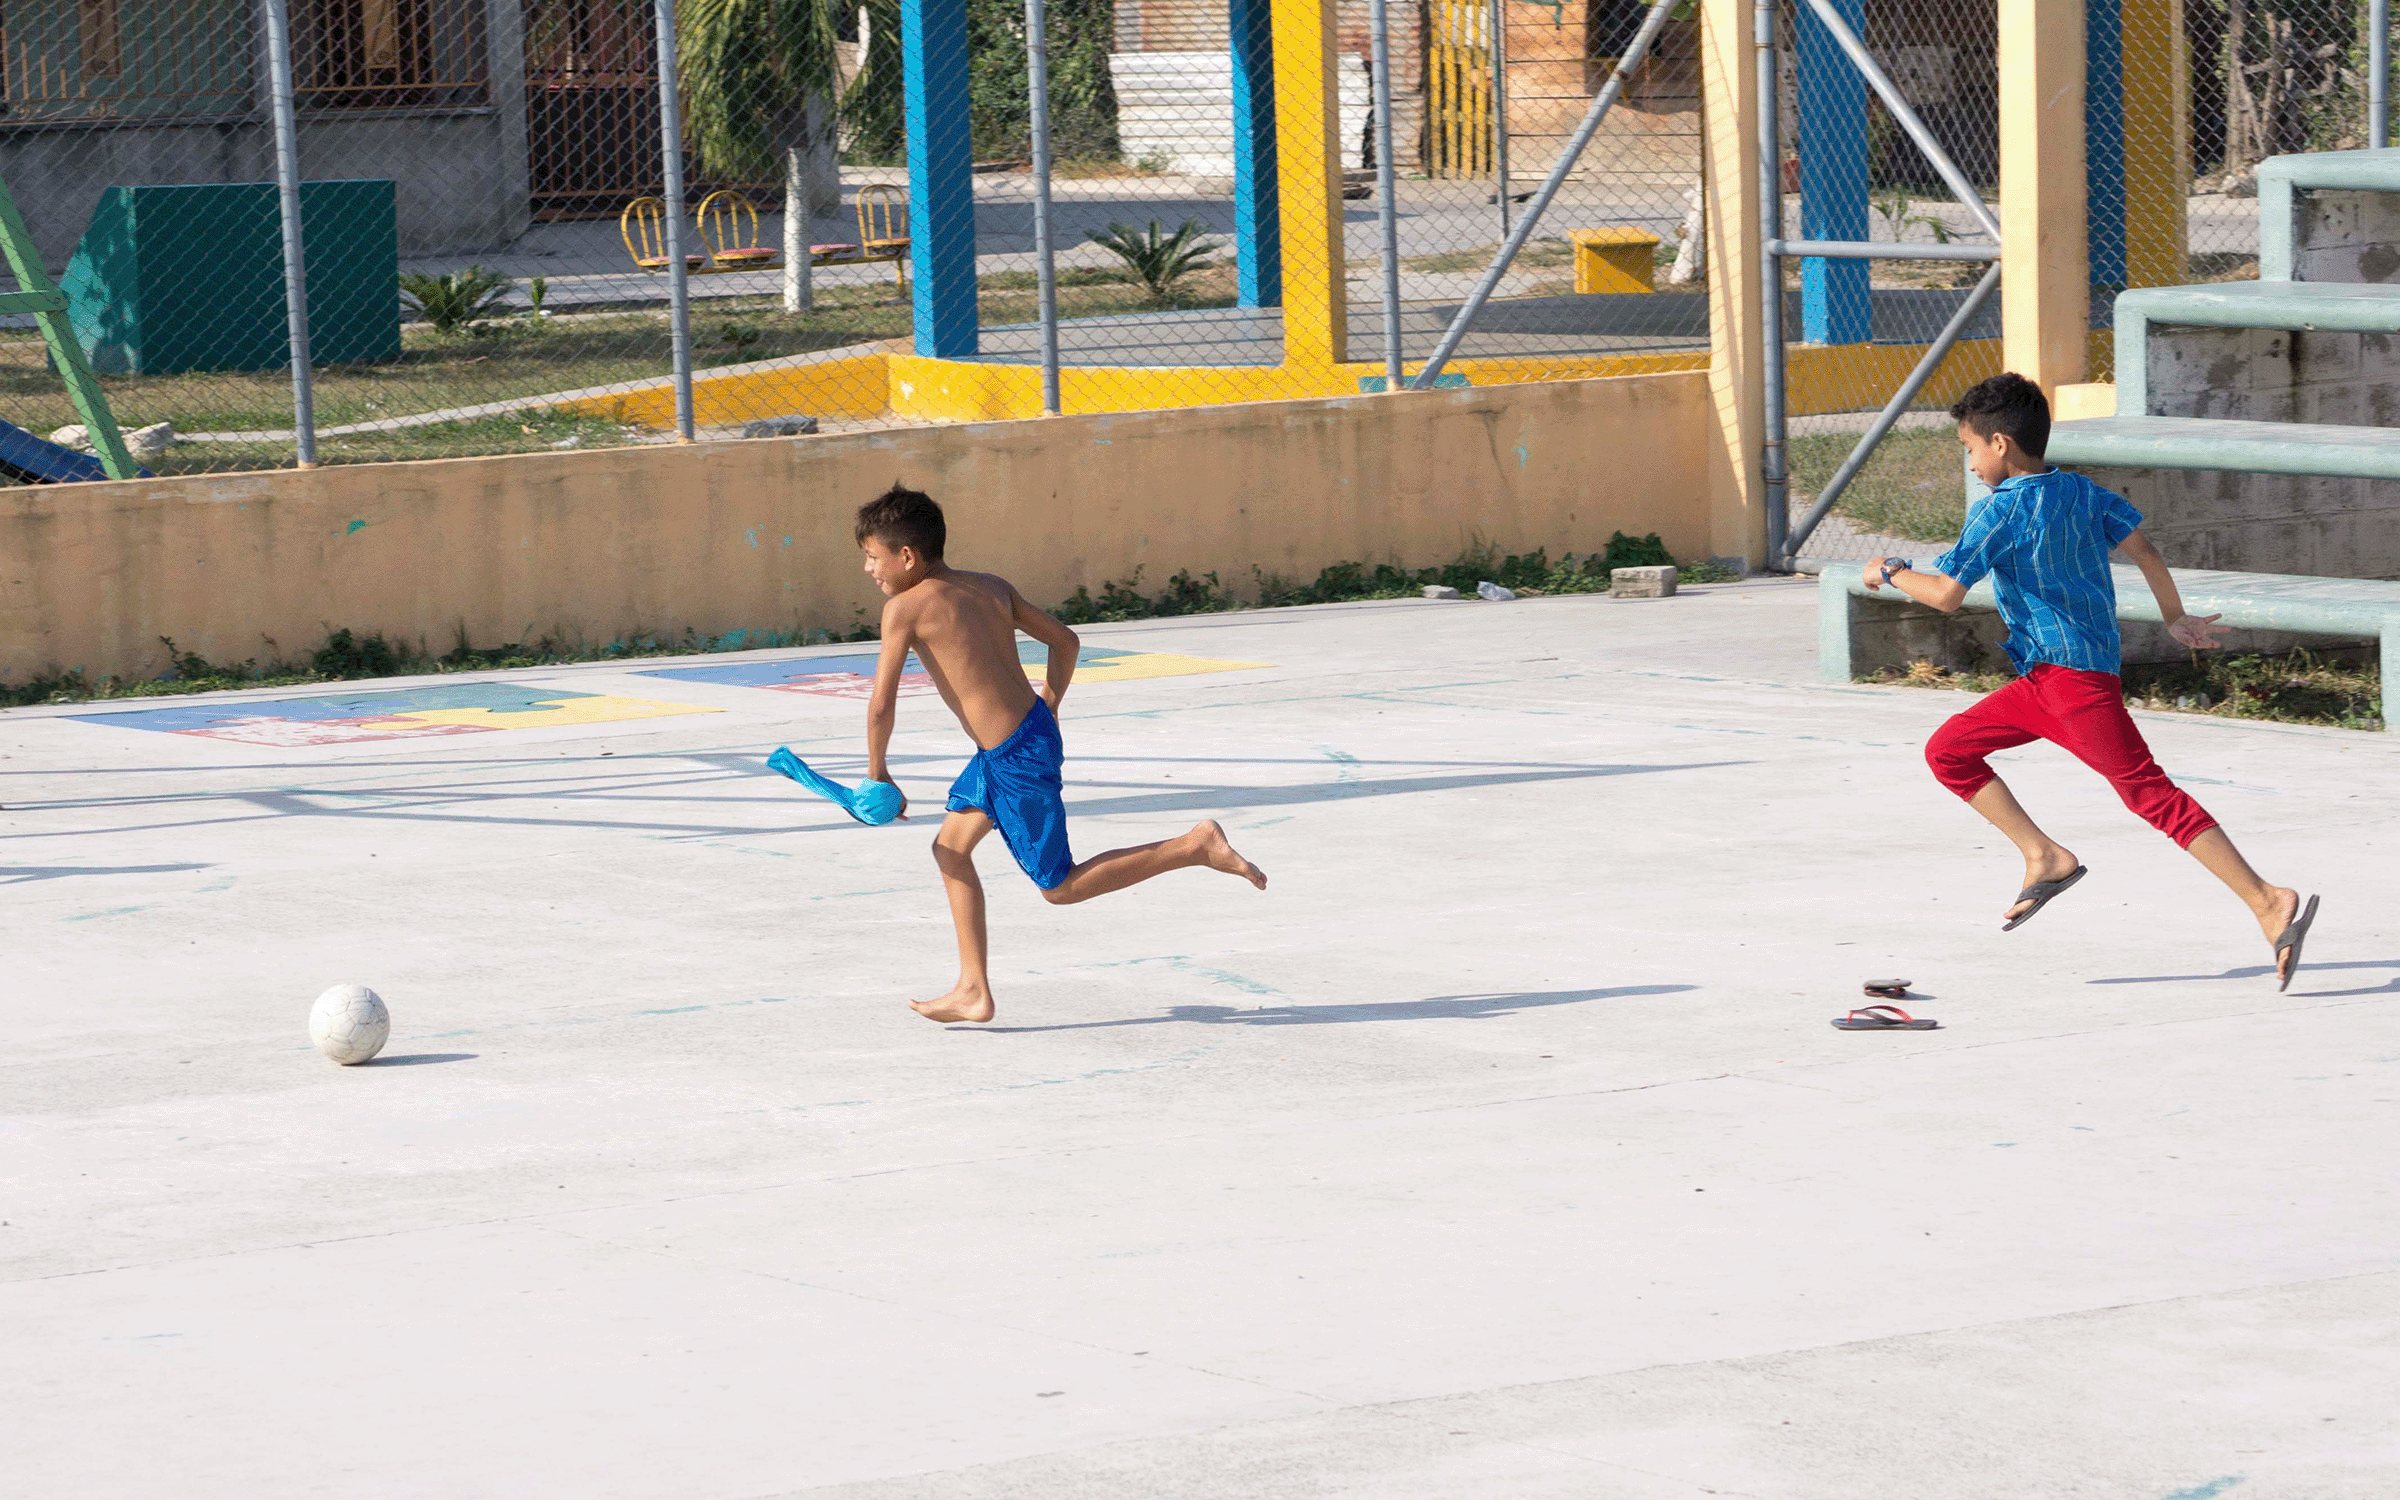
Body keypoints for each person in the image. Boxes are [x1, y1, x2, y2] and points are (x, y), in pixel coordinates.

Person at [1863, 372, 2319, 988]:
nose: (1970, 462)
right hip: (2046, 683)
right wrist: (2174, 616)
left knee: (2149, 795)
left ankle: (2268, 899)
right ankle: (2043, 856)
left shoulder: (2000, 510)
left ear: (1999, 444)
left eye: (1970, 448)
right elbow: (2145, 550)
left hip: (2072, 686)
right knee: (1949, 751)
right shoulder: (2080, 492)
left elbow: (1945, 594)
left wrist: (1890, 572)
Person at [853, 485, 1268, 1023]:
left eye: (871, 556)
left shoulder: (903, 609)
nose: (868, 569)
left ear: (906, 556)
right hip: (1019, 740)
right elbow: (1066, 641)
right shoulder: (992, 587)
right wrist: (1049, 703)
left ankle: (1192, 846)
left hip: (1013, 758)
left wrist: (878, 773)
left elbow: (881, 705)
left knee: (1060, 887)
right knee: (950, 849)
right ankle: (973, 989)